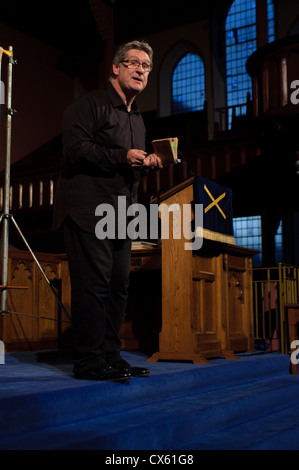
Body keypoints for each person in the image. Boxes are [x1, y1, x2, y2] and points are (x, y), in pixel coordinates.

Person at [53, 40, 162, 381]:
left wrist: (147, 162)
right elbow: (75, 151)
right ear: (116, 68)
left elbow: (128, 164)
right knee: (94, 285)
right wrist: (122, 156)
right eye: (133, 63)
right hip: (89, 208)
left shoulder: (137, 119)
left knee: (118, 287)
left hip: (124, 212)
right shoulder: (88, 105)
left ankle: (112, 357)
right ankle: (88, 361)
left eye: (146, 65)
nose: (141, 69)